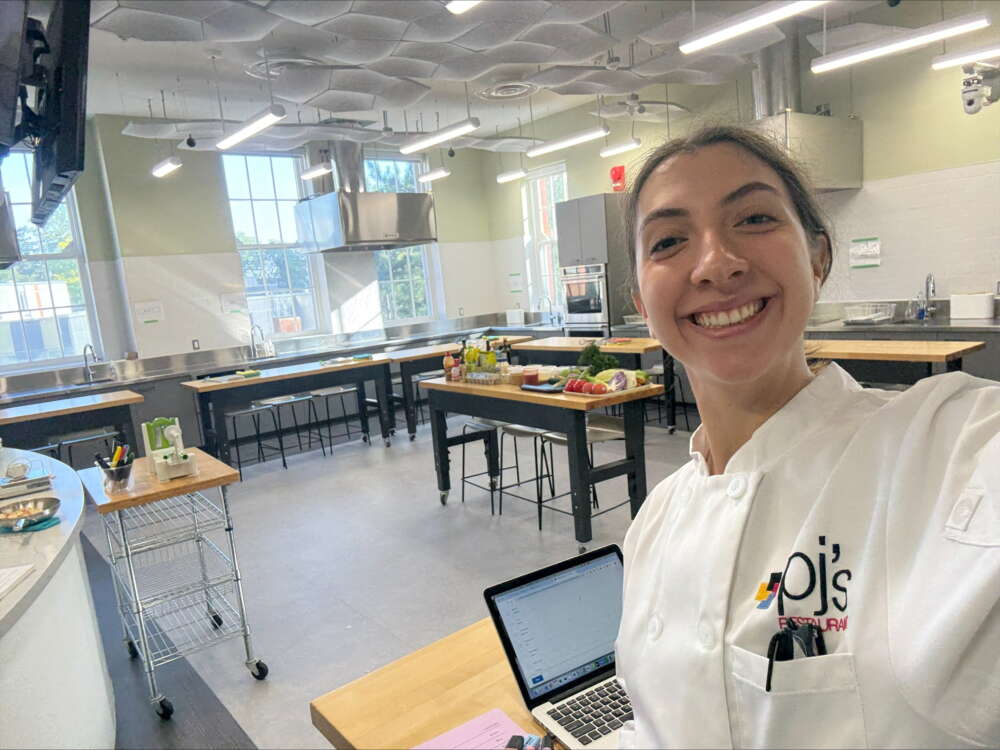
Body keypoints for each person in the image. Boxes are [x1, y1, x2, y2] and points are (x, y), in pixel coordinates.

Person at [614, 125, 999, 748]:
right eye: (669, 240)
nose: (715, 263)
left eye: (755, 217)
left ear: (818, 258)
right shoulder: (654, 522)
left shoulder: (943, 447)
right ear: (640, 297)